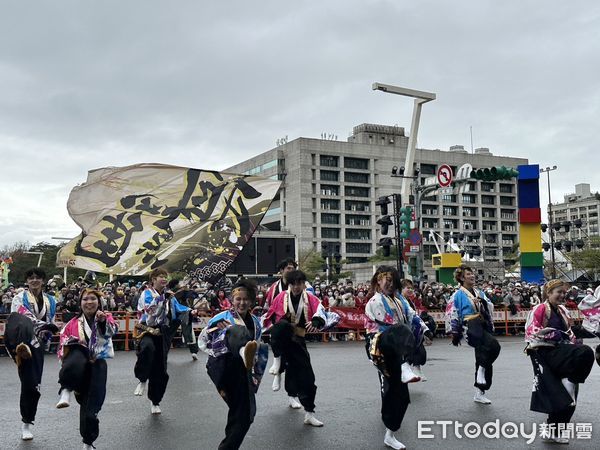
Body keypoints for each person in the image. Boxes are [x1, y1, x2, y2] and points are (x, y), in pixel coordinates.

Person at [198, 279, 268, 450]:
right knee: (235, 331)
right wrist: (215, 331)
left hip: (243, 369)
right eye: (238, 299)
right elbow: (202, 341)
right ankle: (243, 350)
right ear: (232, 300)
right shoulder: (221, 318)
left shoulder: (256, 323)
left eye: (245, 299)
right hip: (223, 365)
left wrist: (254, 377)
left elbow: (258, 349)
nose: (242, 303)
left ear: (251, 301)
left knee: (245, 414)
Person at [263, 270, 338, 427]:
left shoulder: (310, 298)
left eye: (299, 283)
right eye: (293, 283)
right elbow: (269, 315)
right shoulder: (280, 296)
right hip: (282, 338)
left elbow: (320, 311)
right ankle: (277, 364)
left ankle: (309, 413)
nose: (296, 287)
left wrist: (317, 321)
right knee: (281, 326)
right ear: (289, 284)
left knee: (307, 377)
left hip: (299, 339)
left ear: (304, 284)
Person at [525, 279, 595, 444]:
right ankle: (571, 379)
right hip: (545, 353)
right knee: (584, 353)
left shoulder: (563, 310)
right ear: (548, 293)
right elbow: (531, 331)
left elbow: (570, 332)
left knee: (567, 399)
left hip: (561, 353)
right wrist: (554, 334)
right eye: (559, 292)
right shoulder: (540, 308)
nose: (562, 295)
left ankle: (553, 431)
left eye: (564, 292)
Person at [364, 266, 421, 450]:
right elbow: (390, 324)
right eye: (384, 279)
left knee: (402, 396)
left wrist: (425, 329)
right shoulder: (374, 301)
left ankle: (390, 433)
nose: (388, 283)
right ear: (378, 281)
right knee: (389, 388)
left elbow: (412, 317)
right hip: (381, 346)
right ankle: (405, 365)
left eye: (392, 279)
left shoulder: (400, 300)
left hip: (397, 348)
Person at [56, 288, 118, 450]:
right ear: (80, 303)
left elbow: (113, 331)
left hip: (97, 364)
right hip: (78, 362)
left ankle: (88, 441)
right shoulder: (72, 323)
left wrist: (103, 321)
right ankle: (66, 389)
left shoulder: (106, 317)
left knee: (90, 410)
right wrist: (78, 343)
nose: (89, 302)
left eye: (92, 299)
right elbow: (63, 342)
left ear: (99, 302)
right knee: (75, 352)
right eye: (85, 299)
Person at [5, 268, 58, 441]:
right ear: (27, 281)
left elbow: (51, 323)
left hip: (37, 346)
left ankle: (26, 422)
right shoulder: (19, 297)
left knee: (32, 385)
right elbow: (20, 315)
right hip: (19, 339)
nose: (34, 280)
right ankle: (21, 348)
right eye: (31, 278)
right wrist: (43, 326)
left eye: (38, 278)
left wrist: (48, 331)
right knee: (24, 321)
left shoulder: (51, 300)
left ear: (43, 280)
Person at [133, 268, 192, 414]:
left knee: (160, 368)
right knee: (147, 348)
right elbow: (149, 309)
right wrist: (162, 298)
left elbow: (178, 309)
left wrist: (190, 310)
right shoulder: (146, 293)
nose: (164, 279)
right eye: (160, 276)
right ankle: (142, 379)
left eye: (165, 276)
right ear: (153, 279)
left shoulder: (169, 296)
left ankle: (155, 401)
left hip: (163, 331)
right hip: (147, 329)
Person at [448, 265, 500, 404]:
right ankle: (481, 372)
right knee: (493, 345)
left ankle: (480, 391)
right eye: (468, 274)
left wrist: (482, 301)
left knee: (484, 355)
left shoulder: (479, 292)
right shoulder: (457, 294)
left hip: (482, 324)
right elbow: (452, 312)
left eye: (472, 273)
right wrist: (454, 332)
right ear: (461, 277)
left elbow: (490, 305)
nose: (472, 276)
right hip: (470, 325)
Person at [398, 279, 432, 381]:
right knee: (405, 354)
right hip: (400, 331)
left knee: (419, 351)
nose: (410, 290)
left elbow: (414, 315)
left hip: (412, 330)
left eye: (411, 288)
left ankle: (417, 369)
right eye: (407, 288)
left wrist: (425, 329)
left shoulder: (409, 301)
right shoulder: (398, 299)